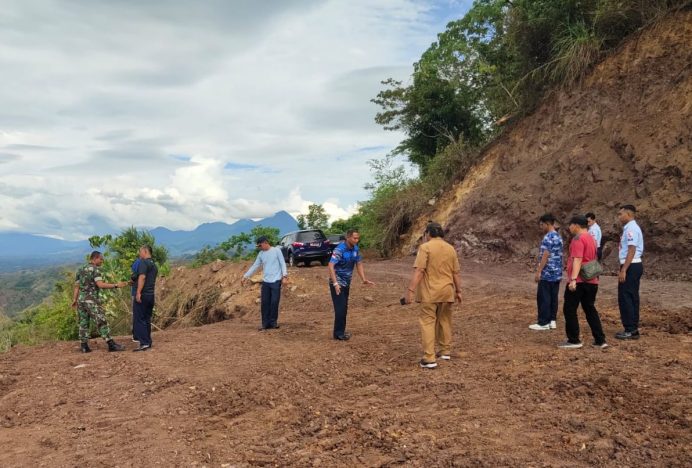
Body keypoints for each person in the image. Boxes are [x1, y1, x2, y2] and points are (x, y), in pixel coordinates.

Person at [405, 222, 462, 369]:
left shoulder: (425, 247)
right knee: (445, 320)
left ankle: (429, 358)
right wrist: (459, 291)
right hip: (447, 291)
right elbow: (456, 272)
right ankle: (445, 351)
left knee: (428, 322)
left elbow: (419, 271)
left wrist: (410, 290)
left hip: (430, 292)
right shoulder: (451, 248)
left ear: (428, 234)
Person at [558, 216, 607, 349]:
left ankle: (574, 340)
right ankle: (600, 339)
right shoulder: (592, 238)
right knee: (590, 308)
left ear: (576, 225)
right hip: (592, 280)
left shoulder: (578, 239)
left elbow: (577, 259)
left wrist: (573, 279)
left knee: (569, 309)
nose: (569, 228)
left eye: (570, 225)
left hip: (579, 280)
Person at [72, 251, 128, 353]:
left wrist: (74, 300)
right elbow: (100, 285)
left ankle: (84, 346)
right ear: (95, 258)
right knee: (101, 321)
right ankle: (111, 345)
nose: (102, 261)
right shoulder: (95, 270)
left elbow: (77, 286)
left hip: (81, 300)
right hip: (91, 301)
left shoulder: (80, 269)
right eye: (101, 259)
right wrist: (116, 285)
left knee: (83, 323)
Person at [328, 229, 374, 340]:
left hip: (346, 283)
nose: (357, 240)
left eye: (358, 238)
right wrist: (335, 283)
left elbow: (359, 263)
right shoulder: (340, 249)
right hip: (337, 283)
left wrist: (363, 279)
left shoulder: (355, 249)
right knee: (340, 308)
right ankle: (338, 334)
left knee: (344, 307)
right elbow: (330, 266)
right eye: (355, 238)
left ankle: (340, 332)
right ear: (348, 237)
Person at [242, 236, 288, 330]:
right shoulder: (261, 254)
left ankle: (273, 322)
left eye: (260, 245)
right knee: (265, 303)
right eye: (258, 246)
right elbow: (255, 265)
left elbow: (283, 263)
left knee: (274, 302)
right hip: (266, 282)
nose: (259, 247)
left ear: (265, 242)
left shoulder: (276, 251)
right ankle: (265, 324)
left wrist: (285, 276)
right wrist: (245, 276)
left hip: (276, 280)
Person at [529, 214, 563, 331]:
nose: (541, 227)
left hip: (547, 272)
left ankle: (543, 322)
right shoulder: (558, 236)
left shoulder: (548, 237)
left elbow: (545, 255)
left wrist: (539, 271)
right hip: (557, 272)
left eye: (542, 224)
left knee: (544, 297)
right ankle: (552, 320)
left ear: (547, 224)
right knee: (553, 297)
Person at [616, 204, 644, 340]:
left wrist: (624, 269)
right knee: (631, 297)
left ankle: (630, 329)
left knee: (626, 297)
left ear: (628, 214)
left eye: (621, 214)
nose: (619, 217)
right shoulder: (630, 228)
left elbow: (631, 250)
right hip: (633, 265)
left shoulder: (631, 229)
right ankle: (632, 327)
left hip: (631, 265)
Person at [133, 245, 158, 352]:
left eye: (140, 251)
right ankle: (148, 341)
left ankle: (144, 343)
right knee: (147, 319)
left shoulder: (143, 262)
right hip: (151, 295)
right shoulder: (154, 265)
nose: (139, 254)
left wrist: (138, 292)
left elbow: (142, 277)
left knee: (139, 319)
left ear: (145, 251)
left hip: (143, 295)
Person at [130, 254, 141, 342]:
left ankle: (137, 334)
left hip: (138, 292)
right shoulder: (138, 262)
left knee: (138, 314)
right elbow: (134, 276)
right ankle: (136, 335)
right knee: (137, 314)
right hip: (136, 292)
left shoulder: (139, 262)